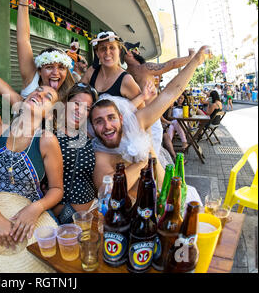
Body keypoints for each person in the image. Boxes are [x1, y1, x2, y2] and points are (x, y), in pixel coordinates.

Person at [0, 47, 63, 247]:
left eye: (47, 98)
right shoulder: (0, 130)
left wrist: (35, 208)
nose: (39, 94)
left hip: (29, 224)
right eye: (38, 90)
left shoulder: (46, 141)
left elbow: (56, 189)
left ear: (50, 114)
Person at [90, 46, 210, 200]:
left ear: (121, 118)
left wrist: (195, 61)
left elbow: (170, 93)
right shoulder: (100, 153)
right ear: (92, 127)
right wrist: (141, 163)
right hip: (136, 213)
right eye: (99, 121)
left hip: (169, 199)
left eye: (111, 118)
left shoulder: (136, 122)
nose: (107, 126)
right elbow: (108, 190)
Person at [122, 42, 195, 161]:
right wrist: (191, 58)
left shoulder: (124, 74)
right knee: (150, 158)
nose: (138, 52)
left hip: (134, 120)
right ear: (130, 53)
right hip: (149, 119)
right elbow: (172, 64)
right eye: (136, 50)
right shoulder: (144, 68)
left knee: (138, 158)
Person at [15, 0, 75, 101]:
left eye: (61, 67)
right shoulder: (32, 84)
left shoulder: (71, 97)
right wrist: (23, 1)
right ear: (39, 70)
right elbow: (23, 40)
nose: (55, 73)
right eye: (48, 67)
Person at [50, 83, 98, 224]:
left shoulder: (87, 136)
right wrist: (61, 211)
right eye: (77, 103)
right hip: (62, 217)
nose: (81, 111)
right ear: (65, 103)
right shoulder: (49, 133)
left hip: (91, 212)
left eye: (87, 108)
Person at [79, 32, 143, 104]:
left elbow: (143, 112)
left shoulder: (126, 80)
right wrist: (73, 114)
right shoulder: (91, 71)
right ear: (97, 53)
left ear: (119, 51)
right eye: (103, 48)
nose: (107, 52)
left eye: (112, 47)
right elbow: (75, 97)